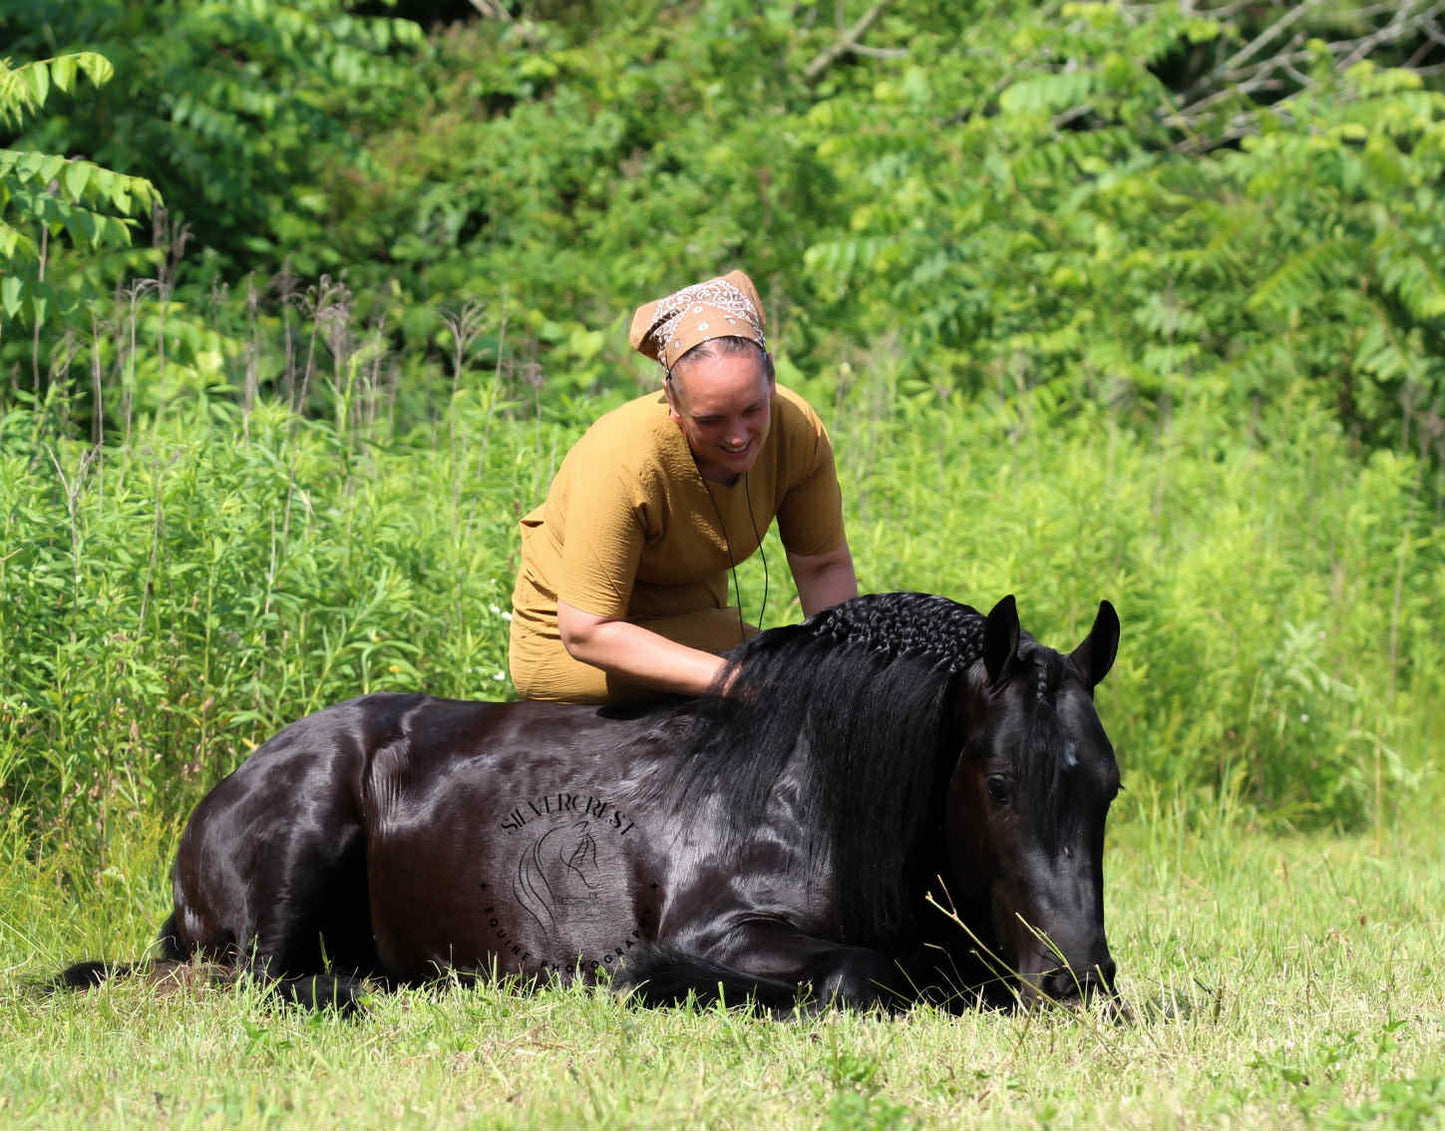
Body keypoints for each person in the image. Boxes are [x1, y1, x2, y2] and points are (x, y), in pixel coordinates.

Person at [508, 269, 857, 703]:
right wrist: (739, 682)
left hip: (697, 622)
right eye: (710, 420)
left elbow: (821, 564)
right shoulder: (625, 458)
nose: (737, 436)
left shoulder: (797, 430)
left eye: (753, 410)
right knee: (776, 681)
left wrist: (846, 676)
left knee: (799, 676)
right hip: (577, 647)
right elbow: (585, 631)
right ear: (673, 402)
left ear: (772, 380)